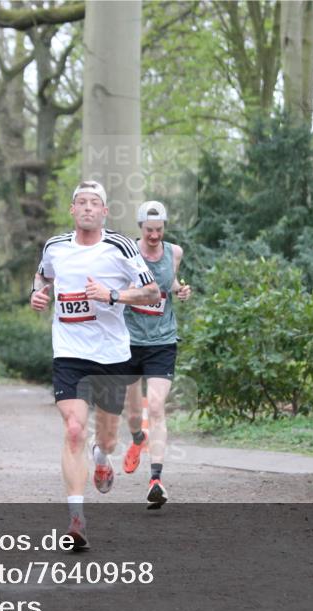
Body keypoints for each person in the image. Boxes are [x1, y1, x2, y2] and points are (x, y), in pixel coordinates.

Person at [30, 180, 160, 549]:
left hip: (111, 355)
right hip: (69, 353)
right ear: (72, 210)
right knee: (73, 429)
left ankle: (102, 455)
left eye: (95, 203)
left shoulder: (119, 246)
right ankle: (76, 519)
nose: (87, 208)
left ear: (104, 212)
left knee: (105, 438)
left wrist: (113, 294)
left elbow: (151, 292)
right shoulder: (55, 247)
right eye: (81, 202)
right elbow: (42, 277)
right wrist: (36, 295)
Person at [121, 200, 191, 509]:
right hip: (129, 341)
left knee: (158, 407)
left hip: (162, 341)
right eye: (149, 230)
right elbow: (118, 288)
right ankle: (138, 439)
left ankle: (156, 480)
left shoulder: (174, 253)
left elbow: (169, 282)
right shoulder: (126, 254)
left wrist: (179, 290)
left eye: (159, 230)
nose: (154, 236)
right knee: (134, 415)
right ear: (140, 229)